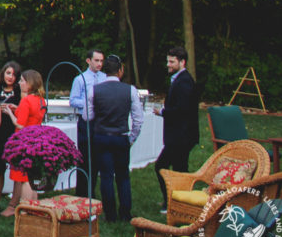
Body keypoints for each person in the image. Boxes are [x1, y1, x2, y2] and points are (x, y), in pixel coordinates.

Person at [91, 55, 143, 221]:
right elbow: (138, 119)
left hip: (102, 136)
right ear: (120, 71)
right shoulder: (130, 90)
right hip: (121, 136)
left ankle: (110, 214)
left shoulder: (95, 89)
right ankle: (125, 213)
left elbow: (87, 114)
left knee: (106, 176)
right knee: (123, 176)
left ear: (105, 71)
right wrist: (131, 138)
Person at [154, 46, 198, 213]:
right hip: (182, 135)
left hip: (181, 136)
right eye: (168, 61)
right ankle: (182, 203)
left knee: (161, 166)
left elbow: (182, 110)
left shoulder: (184, 81)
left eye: (172, 62)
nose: (168, 65)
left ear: (182, 62)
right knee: (180, 169)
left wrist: (162, 112)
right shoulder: (181, 79)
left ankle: (170, 203)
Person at [1, 69, 47, 215]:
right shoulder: (40, 100)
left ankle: (25, 210)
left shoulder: (27, 100)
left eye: (21, 80)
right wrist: (18, 109)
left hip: (24, 141)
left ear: (29, 84)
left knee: (24, 178)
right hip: (35, 140)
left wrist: (9, 113)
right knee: (32, 176)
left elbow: (20, 125)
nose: (19, 82)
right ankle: (34, 208)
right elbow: (31, 117)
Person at [69, 48, 106, 199]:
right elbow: (73, 100)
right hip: (85, 121)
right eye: (96, 60)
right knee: (84, 157)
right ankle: (82, 192)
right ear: (88, 61)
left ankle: (93, 192)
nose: (99, 64)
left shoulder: (105, 77)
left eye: (101, 61)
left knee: (97, 158)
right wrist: (89, 103)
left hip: (100, 122)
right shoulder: (80, 79)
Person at [0, 61, 21, 214]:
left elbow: (25, 110)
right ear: (3, 73)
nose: (11, 77)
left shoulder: (20, 91)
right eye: (8, 73)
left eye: (14, 74)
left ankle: (13, 204)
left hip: (14, 134)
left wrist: (15, 109)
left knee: (16, 169)